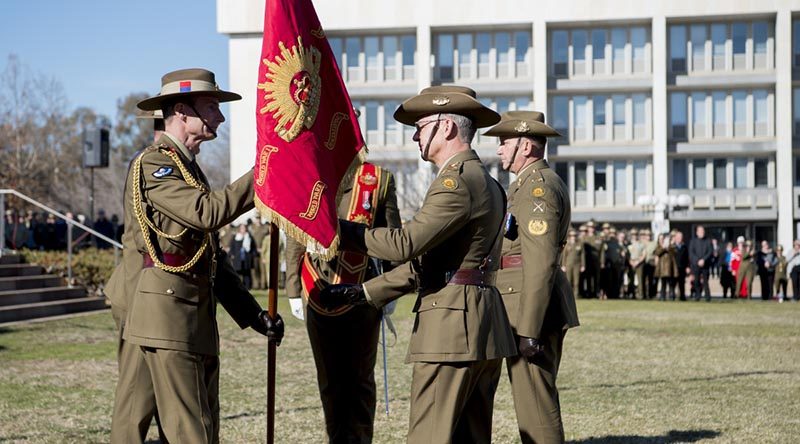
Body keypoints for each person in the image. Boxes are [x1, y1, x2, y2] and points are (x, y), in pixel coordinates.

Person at [321, 86, 516, 443]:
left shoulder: (454, 182)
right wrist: (364, 291)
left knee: (429, 435)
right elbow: (432, 263)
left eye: (421, 126)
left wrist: (334, 229)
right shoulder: (486, 181)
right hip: (482, 323)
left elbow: (404, 245)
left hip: (451, 328)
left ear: (446, 128)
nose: (415, 135)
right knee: (469, 437)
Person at [106, 68, 284, 443]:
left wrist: (252, 315)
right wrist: (267, 171)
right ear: (183, 111)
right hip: (164, 315)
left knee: (138, 423)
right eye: (211, 107)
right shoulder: (157, 164)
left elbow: (208, 258)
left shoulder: (187, 167)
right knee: (188, 429)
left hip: (169, 313)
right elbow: (206, 213)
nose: (219, 116)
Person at [285, 160, 400, 444]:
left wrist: (391, 286)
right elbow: (296, 234)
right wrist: (291, 289)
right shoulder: (307, 173)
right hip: (318, 291)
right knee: (330, 381)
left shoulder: (379, 179)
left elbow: (393, 238)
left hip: (363, 291)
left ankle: (360, 439)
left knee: (360, 381)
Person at [485, 110, 579, 443]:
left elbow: (539, 262)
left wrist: (529, 329)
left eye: (504, 142)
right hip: (521, 303)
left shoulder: (537, 189)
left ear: (526, 146)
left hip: (530, 309)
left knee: (536, 407)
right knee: (532, 402)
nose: (498, 150)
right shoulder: (526, 185)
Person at [229, 223, 257, 289]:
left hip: (247, 258)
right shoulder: (236, 237)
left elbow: (253, 247)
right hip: (237, 258)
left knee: (246, 273)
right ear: (239, 229)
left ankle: (247, 287)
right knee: (237, 273)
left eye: (244, 228)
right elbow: (232, 246)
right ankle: (237, 287)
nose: (243, 229)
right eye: (242, 228)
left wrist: (253, 255)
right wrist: (232, 254)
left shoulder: (249, 236)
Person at [688, 225, 713, 302]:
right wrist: (697, 261)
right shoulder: (693, 241)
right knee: (696, 281)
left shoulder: (708, 241)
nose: (702, 232)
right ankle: (697, 296)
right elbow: (691, 253)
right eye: (700, 231)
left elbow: (710, 252)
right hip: (696, 264)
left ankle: (707, 297)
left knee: (705, 281)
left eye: (703, 231)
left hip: (705, 264)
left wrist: (703, 260)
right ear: (697, 232)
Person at [561, 228, 585, 297]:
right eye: (571, 236)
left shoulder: (580, 243)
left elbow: (582, 255)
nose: (573, 237)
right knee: (568, 280)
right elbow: (564, 256)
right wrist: (563, 265)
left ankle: (576, 294)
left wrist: (583, 265)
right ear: (569, 236)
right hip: (568, 264)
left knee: (576, 281)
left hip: (577, 265)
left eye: (574, 236)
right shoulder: (567, 244)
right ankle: (569, 295)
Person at [655, 233, 678, 301]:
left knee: (671, 283)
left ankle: (672, 295)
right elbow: (657, 253)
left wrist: (668, 247)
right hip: (662, 268)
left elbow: (675, 252)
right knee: (663, 283)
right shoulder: (659, 246)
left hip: (670, 267)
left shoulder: (671, 246)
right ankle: (663, 296)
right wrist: (663, 248)